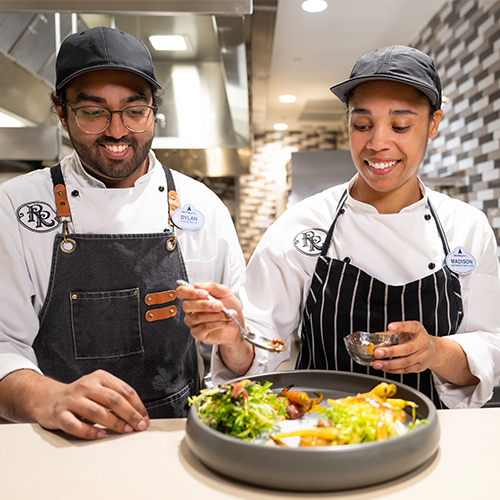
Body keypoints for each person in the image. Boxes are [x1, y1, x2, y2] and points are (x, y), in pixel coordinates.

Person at [178, 45, 500, 410]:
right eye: (362, 124)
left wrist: (436, 351)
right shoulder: (303, 224)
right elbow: (258, 349)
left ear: (433, 124)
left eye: (400, 125)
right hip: (322, 438)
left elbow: (490, 349)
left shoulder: (468, 228)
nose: (378, 143)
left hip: (432, 439)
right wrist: (234, 338)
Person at [0, 26, 245, 439]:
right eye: (93, 112)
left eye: (134, 111)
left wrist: (234, 337)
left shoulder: (201, 207)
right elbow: (4, 344)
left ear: (153, 110)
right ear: (62, 113)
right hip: (56, 443)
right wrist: (49, 397)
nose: (117, 131)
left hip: (178, 440)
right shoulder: (16, 206)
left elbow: (242, 354)